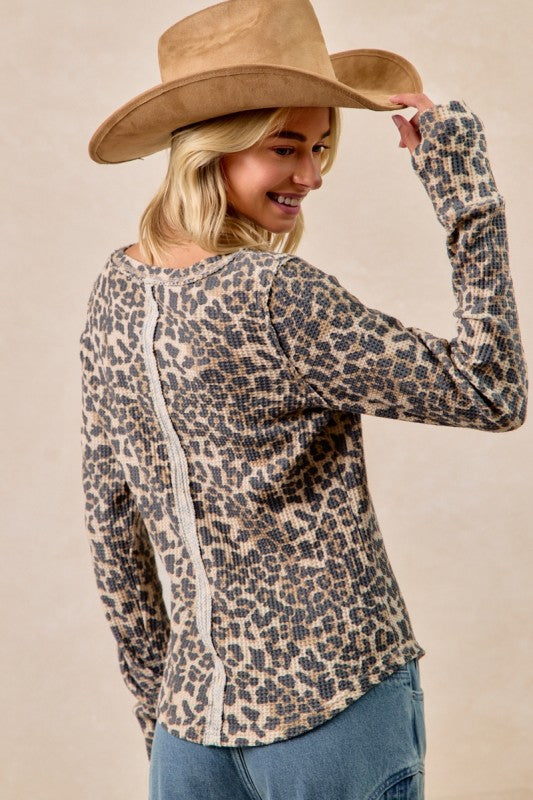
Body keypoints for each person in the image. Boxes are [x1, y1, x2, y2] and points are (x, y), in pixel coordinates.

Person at [80, 1, 528, 798]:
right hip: (334, 711)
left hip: (192, 726)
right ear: (212, 147)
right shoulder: (274, 295)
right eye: (285, 147)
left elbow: (111, 529)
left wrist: (165, 720)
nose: (312, 176)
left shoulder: (115, 289)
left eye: (319, 147)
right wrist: (466, 193)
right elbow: (489, 389)